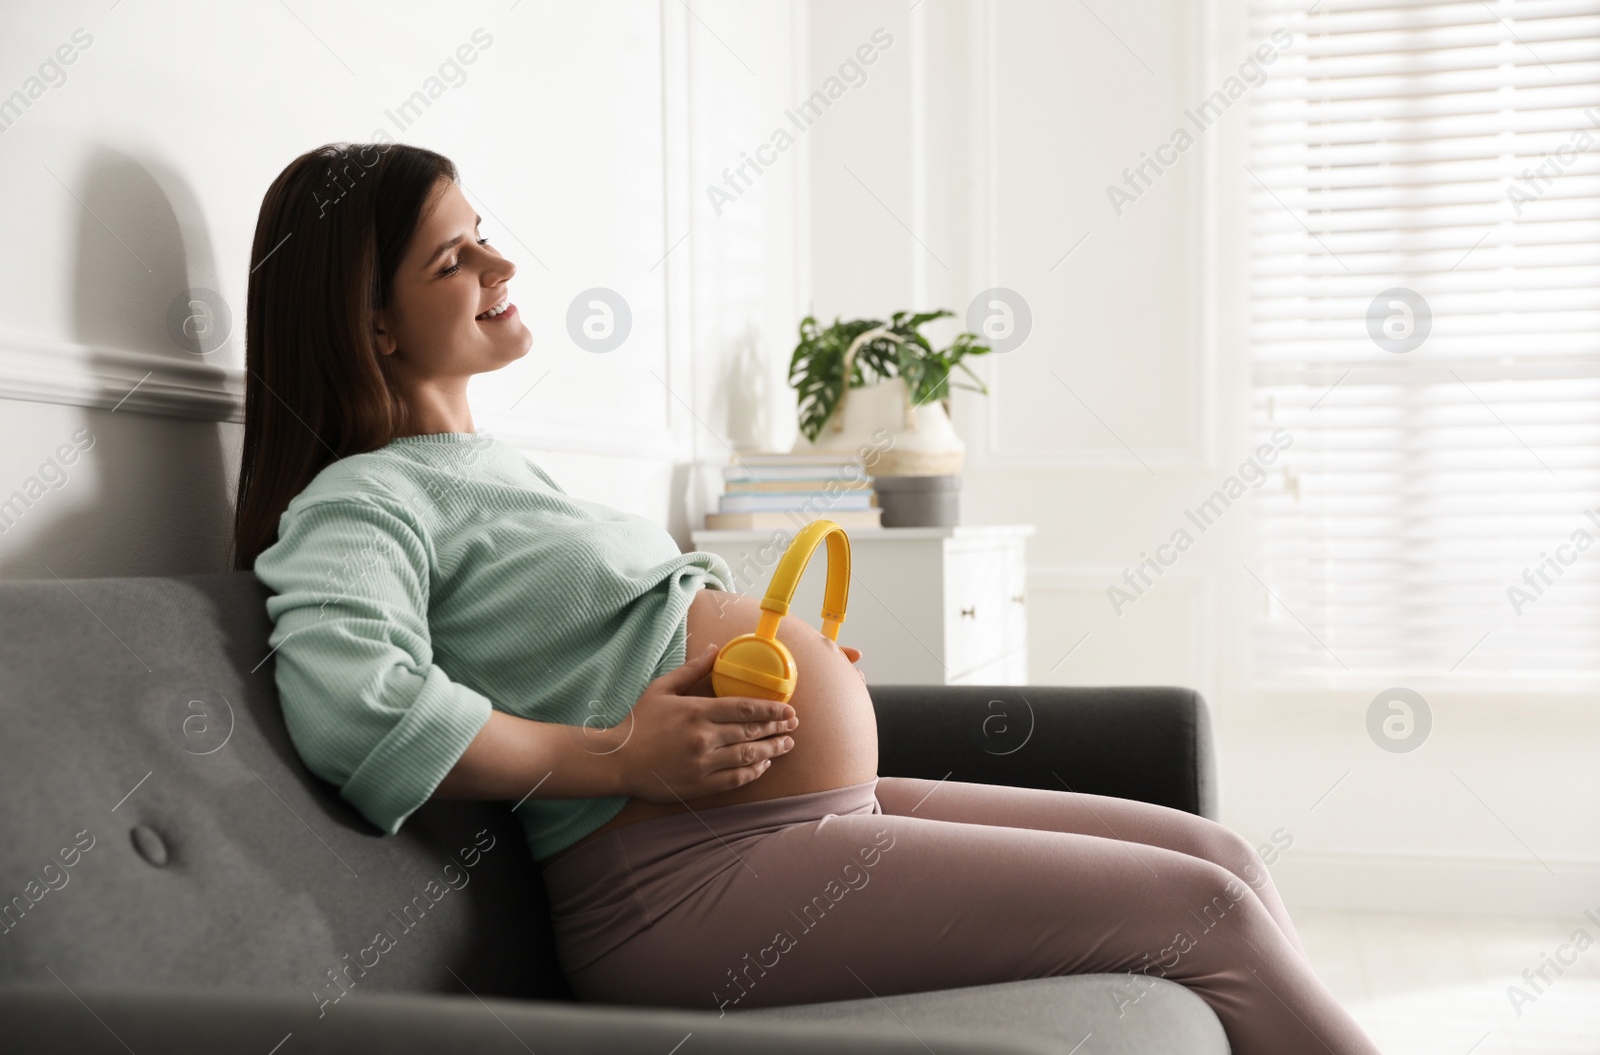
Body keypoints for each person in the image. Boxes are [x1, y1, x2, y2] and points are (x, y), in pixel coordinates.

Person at [237, 142, 1383, 1055]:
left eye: (484, 237)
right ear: (371, 323)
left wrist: (795, 662)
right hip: (679, 881)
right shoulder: (359, 502)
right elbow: (360, 705)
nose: (500, 267)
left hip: (790, 821)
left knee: (1222, 856)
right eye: (454, 260)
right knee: (1206, 915)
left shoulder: (496, 470)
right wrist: (620, 756)